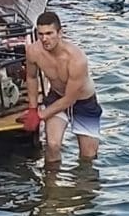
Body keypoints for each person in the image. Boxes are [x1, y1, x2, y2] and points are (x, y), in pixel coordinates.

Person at [18, 10, 102, 164]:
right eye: (40, 34)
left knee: (88, 157)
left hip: (83, 102)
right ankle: (50, 178)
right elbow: (31, 77)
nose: (44, 39)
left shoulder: (77, 59)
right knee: (52, 145)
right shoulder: (33, 52)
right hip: (56, 96)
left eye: (49, 33)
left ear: (60, 33)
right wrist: (32, 109)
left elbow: (70, 99)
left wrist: (39, 116)